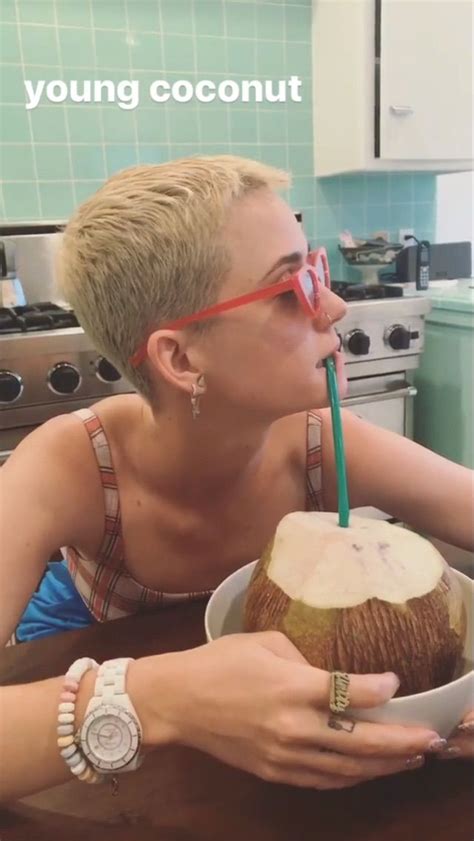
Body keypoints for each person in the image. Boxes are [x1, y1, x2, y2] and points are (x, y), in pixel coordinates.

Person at [1, 157, 473, 802]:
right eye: (290, 289)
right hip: (138, 782)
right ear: (180, 356)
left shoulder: (317, 441)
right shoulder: (70, 466)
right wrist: (164, 699)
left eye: (317, 269)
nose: (333, 305)